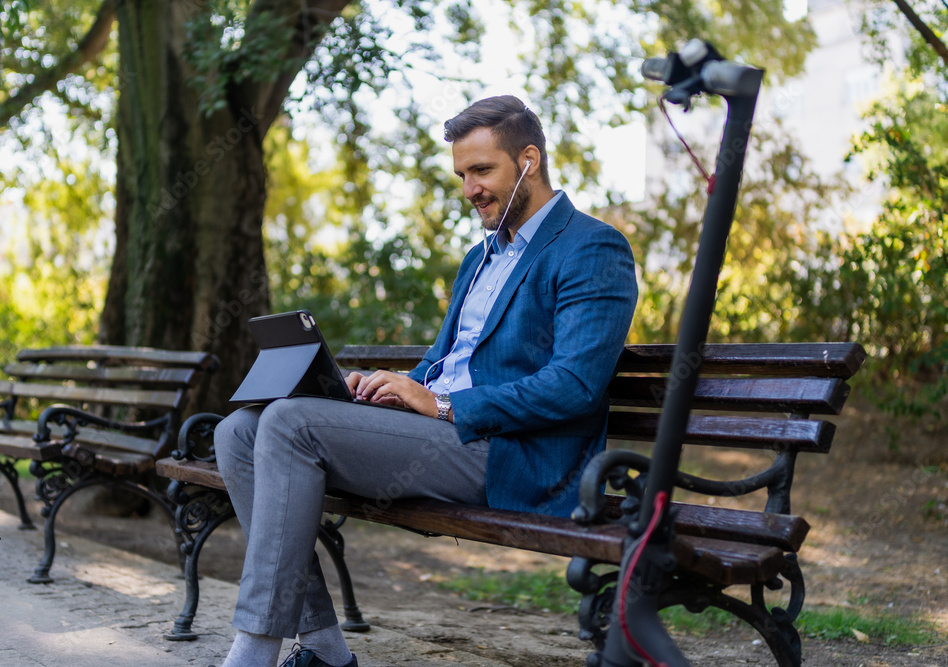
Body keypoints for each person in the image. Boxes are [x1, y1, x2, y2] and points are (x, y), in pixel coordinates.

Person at [211, 95, 638, 667]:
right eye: (462, 174)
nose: (470, 189)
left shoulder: (592, 248)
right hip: (445, 435)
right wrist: (383, 387)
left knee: (289, 422)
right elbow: (444, 362)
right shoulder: (479, 258)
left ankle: (253, 654)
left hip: (512, 453)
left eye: (482, 170)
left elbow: (574, 386)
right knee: (237, 431)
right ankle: (323, 649)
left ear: (529, 160)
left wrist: (439, 406)